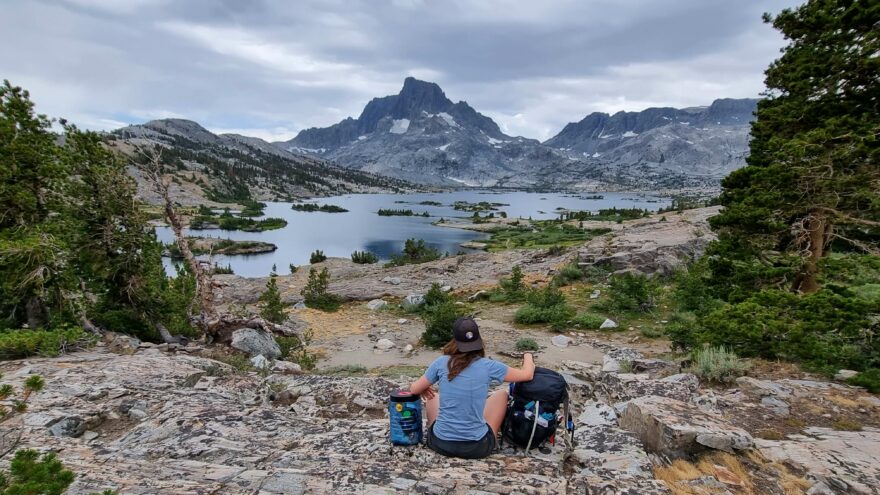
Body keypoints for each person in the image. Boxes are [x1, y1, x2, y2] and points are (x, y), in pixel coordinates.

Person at [408, 317, 535, 459]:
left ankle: (442, 431)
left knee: (434, 397)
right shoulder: (489, 366)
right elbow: (527, 375)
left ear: (455, 340)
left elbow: (413, 389)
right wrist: (528, 356)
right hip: (477, 448)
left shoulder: (441, 363)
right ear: (478, 340)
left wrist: (424, 388)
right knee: (501, 395)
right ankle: (490, 437)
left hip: (440, 444)